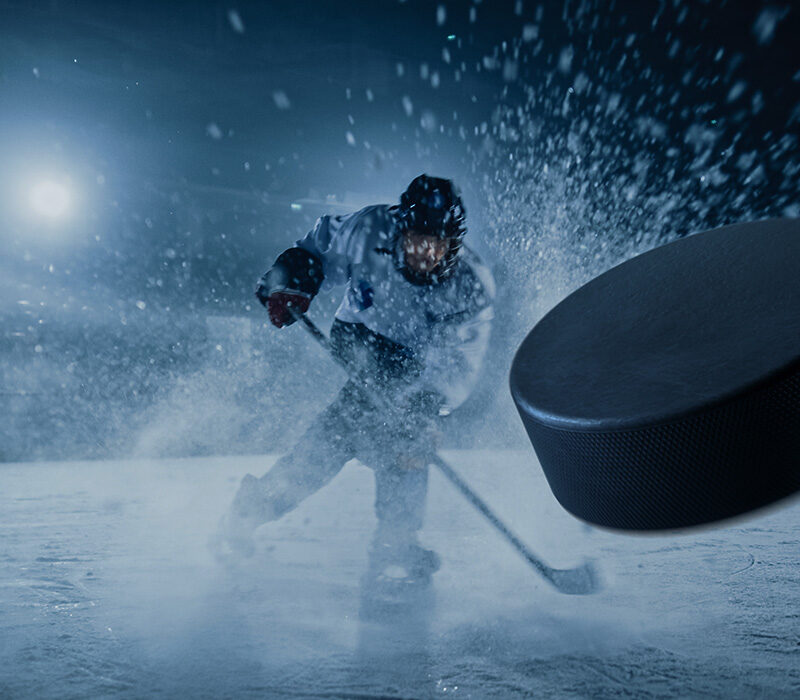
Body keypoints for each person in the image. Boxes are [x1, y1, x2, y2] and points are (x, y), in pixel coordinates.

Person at [215, 174, 495, 584]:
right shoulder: (370, 229)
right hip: (358, 337)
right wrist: (291, 278)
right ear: (401, 228)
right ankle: (395, 546)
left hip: (417, 365)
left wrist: (426, 408)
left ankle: (254, 508)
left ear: (453, 242)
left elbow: (459, 361)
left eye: (437, 244)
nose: (424, 253)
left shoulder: (471, 284)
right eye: (417, 239)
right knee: (362, 432)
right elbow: (318, 247)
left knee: (402, 440)